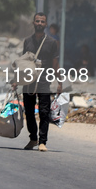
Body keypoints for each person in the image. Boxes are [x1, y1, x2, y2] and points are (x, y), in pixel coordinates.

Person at [15, 12, 61, 152]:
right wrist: (16, 80)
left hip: (44, 81)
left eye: (42, 21)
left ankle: (42, 142)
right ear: (33, 23)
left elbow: (55, 64)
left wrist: (60, 82)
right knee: (29, 112)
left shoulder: (52, 43)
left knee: (44, 112)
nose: (40, 23)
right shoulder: (27, 41)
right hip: (28, 81)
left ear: (46, 24)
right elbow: (23, 63)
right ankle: (33, 138)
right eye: (37, 21)